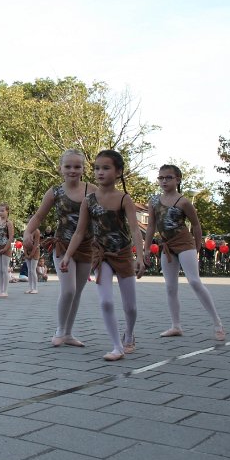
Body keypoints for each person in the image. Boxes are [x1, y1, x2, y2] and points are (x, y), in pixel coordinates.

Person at [61, 150, 145, 361]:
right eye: (97, 168)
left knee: (131, 306)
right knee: (106, 302)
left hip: (123, 254)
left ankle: (129, 333)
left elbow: (135, 230)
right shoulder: (89, 201)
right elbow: (80, 232)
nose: (100, 172)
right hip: (101, 256)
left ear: (118, 172)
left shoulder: (124, 198)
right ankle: (117, 346)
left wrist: (140, 257)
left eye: (106, 168)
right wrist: (67, 256)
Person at [142, 165, 224, 340]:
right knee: (170, 287)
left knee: (194, 281)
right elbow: (150, 226)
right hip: (167, 246)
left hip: (185, 243)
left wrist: (197, 246)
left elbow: (195, 225)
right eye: (161, 178)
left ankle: (217, 323)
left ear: (177, 180)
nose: (164, 181)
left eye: (168, 177)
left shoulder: (183, 202)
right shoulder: (154, 201)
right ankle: (175, 325)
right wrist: (146, 248)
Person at [24, 149, 95, 348]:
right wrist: (27, 232)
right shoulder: (55, 191)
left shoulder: (93, 190)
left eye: (77, 166)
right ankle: (60, 330)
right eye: (68, 166)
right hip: (63, 245)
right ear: (61, 168)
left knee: (78, 291)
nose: (73, 170)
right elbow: (39, 216)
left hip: (87, 246)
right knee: (69, 289)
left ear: (83, 168)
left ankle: (69, 333)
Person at [0, 203, 14, 298]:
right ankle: (0, 289)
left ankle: (5, 290)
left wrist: (6, 248)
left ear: (7, 211)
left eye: (2, 211)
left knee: (5, 269)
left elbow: (11, 236)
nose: (0, 213)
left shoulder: (9, 223)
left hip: (6, 248)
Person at [23, 224, 41, 295]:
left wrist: (31, 254)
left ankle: (35, 288)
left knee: (33, 270)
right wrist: (26, 254)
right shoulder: (26, 232)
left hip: (35, 251)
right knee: (29, 270)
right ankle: (30, 287)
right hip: (27, 251)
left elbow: (36, 244)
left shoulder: (37, 231)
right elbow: (24, 243)